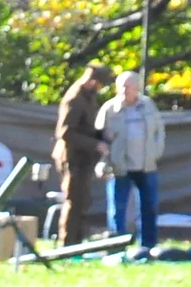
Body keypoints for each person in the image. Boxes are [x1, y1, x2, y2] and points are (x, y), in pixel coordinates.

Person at [99, 68, 166, 252]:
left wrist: (155, 153)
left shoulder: (148, 105)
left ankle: (148, 245)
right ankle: (116, 247)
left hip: (146, 165)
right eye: (120, 86)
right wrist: (105, 162)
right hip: (119, 167)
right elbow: (99, 138)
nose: (124, 90)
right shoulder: (109, 109)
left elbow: (159, 132)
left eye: (128, 86)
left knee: (149, 206)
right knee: (117, 209)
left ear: (137, 87)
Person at [51, 60, 111, 244]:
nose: (100, 88)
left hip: (83, 158)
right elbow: (65, 132)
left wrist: (101, 135)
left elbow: (86, 127)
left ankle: (77, 242)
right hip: (72, 158)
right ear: (93, 82)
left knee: (83, 202)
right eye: (100, 84)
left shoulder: (88, 97)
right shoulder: (75, 99)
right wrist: (95, 144)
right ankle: (67, 244)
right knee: (74, 202)